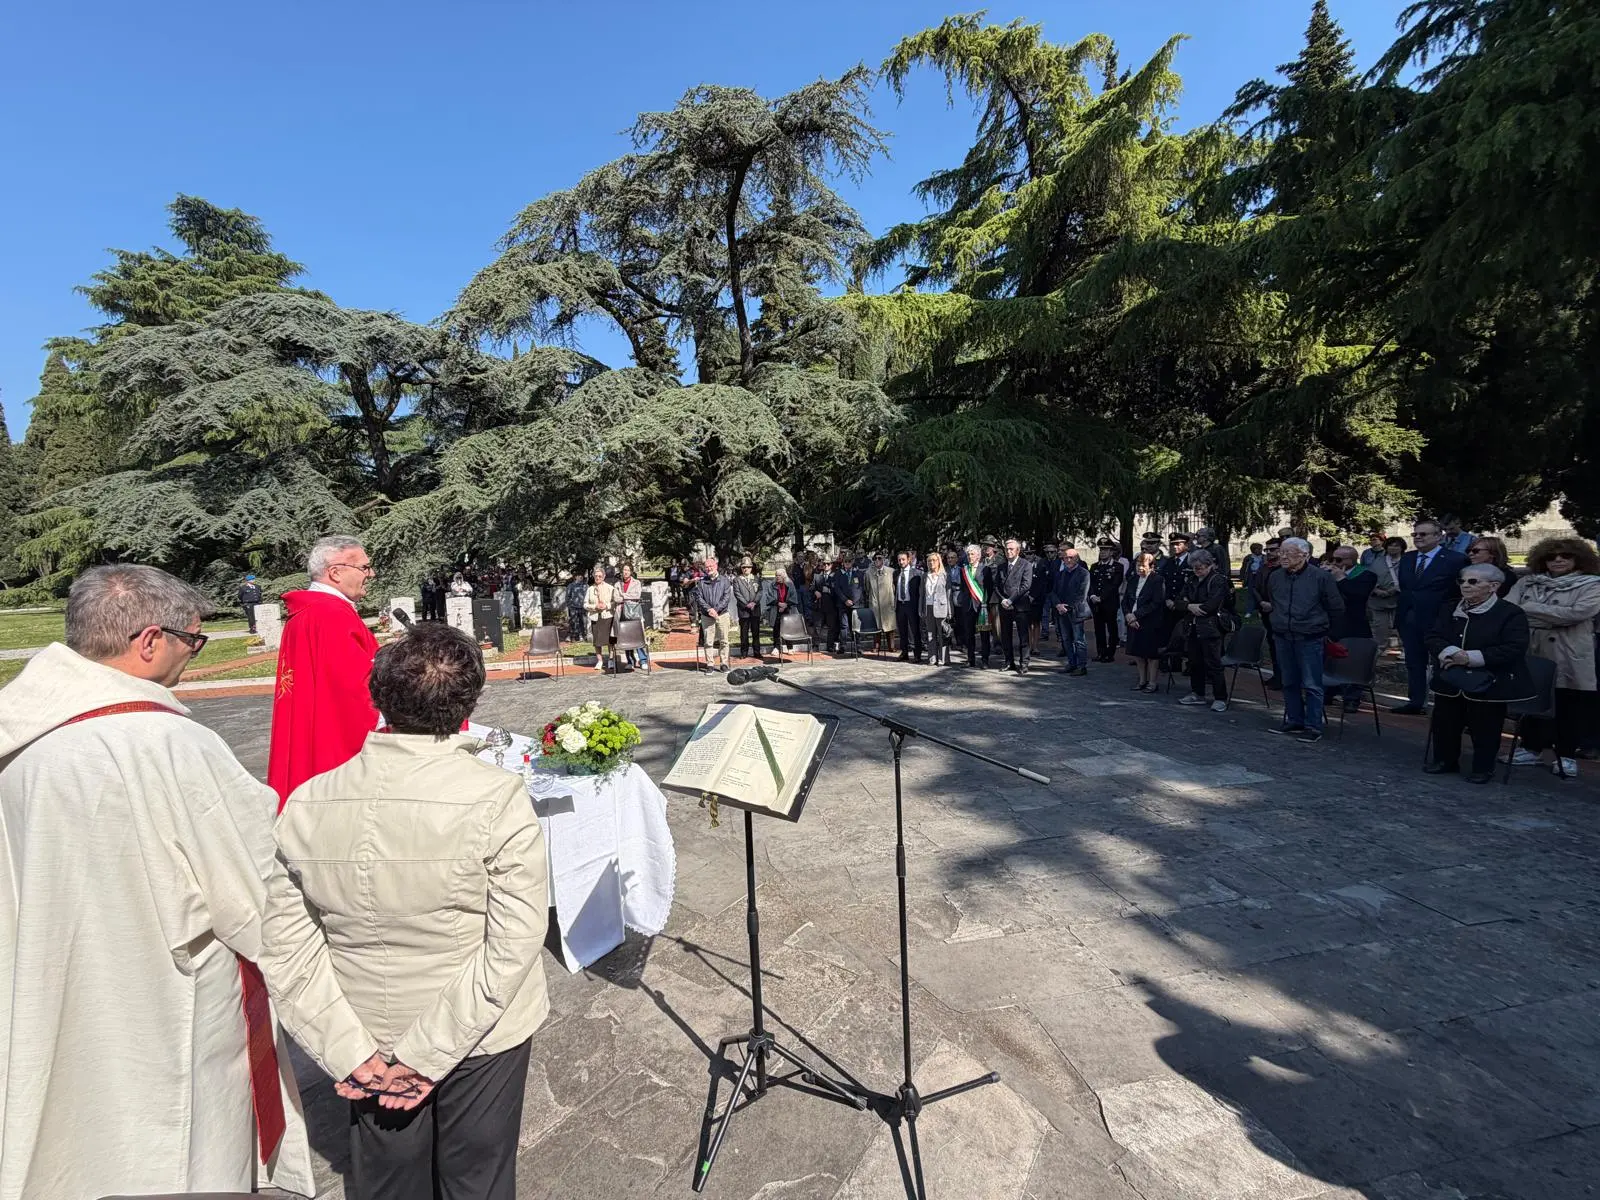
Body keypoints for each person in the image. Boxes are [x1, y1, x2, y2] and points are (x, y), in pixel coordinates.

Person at [0, 565, 317, 1200]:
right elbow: (255, 894)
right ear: (150, 641)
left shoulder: (20, 733)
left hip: (43, 980)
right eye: (192, 641)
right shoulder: (169, 743)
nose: (191, 654)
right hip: (165, 1003)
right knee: (179, 1155)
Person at [262, 621, 549, 1200]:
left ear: (378, 696)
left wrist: (346, 1048)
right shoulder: (495, 796)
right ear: (470, 702)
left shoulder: (309, 800)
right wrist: (426, 1054)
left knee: (387, 1181)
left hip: (368, 1031)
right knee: (478, 1179)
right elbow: (515, 941)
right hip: (479, 1028)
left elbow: (286, 947)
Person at [269, 535, 380, 810]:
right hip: (337, 752)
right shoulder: (332, 615)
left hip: (312, 736)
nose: (371, 574)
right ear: (335, 572)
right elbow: (357, 693)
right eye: (364, 567)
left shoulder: (308, 612)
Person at [1424, 564, 1533, 783]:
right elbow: (1433, 636)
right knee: (1445, 721)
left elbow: (1514, 647)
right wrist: (1451, 652)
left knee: (1486, 726)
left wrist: (1471, 657)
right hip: (1451, 675)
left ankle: (1483, 768)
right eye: (1462, 581)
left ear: (1493, 586)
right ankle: (1445, 760)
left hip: (1489, 680)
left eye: (1473, 581)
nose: (1465, 585)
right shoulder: (1449, 607)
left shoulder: (1510, 613)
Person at [1504, 538, 1600, 779]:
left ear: (1578, 558)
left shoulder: (1592, 584)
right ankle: (1530, 747)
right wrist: (1552, 617)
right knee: (1532, 697)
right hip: (1533, 648)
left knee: (1568, 703)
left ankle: (1566, 755)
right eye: (1551, 556)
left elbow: (1576, 614)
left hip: (1569, 652)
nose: (1558, 560)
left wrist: (1530, 609)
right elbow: (1510, 610)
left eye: (1565, 556)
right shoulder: (1526, 582)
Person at [1260, 536, 1344, 743]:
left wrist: (1326, 631)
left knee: (1312, 684)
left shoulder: (1321, 577)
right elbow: (1274, 601)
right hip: (1283, 635)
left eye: (1288, 553)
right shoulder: (1275, 577)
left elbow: (1336, 607)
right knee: (1289, 681)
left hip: (1310, 637)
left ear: (1304, 555)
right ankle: (1294, 720)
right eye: (1281, 552)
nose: (1282, 556)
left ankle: (1313, 726)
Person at [1392, 519, 1470, 714]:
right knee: (1414, 662)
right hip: (1409, 618)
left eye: (1423, 534)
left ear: (1438, 536)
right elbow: (1406, 588)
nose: (1418, 537)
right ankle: (1416, 702)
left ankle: (1444, 703)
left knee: (1441, 662)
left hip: (1438, 620)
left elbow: (1458, 591)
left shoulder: (1455, 559)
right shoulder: (1408, 558)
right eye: (1415, 534)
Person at [1176, 549, 1231, 711]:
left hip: (1211, 627)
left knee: (1213, 663)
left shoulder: (1218, 580)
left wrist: (1190, 604)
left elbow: (1211, 605)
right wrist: (1190, 606)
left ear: (1209, 565)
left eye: (1200, 567)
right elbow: (1178, 601)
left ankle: (1220, 697)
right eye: (1194, 567)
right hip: (1193, 626)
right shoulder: (1192, 580)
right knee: (1194, 662)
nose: (1197, 570)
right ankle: (1197, 693)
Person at [1326, 545, 1379, 713]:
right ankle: (1327, 693)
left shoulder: (1366, 575)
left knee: (1354, 661)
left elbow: (1358, 595)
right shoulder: (1329, 573)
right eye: (1332, 559)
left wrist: (1341, 579)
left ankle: (1352, 698)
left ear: (1351, 560)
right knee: (1329, 658)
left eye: (1338, 560)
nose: (1334, 563)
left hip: (1355, 623)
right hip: (1332, 623)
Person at [1123, 552, 1166, 693]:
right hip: (1132, 621)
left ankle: (1152, 682)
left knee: (1151, 654)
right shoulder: (1133, 579)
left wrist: (1136, 615)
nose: (1140, 568)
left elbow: (1156, 603)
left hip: (1149, 622)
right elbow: (1125, 600)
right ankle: (1142, 680)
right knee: (1137, 653)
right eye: (1138, 565)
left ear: (1151, 567)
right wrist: (1128, 615)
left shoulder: (1157, 580)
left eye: (1143, 565)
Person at [995, 538, 1035, 674]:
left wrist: (1011, 600)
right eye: (1006, 549)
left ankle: (1024, 663)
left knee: (1023, 636)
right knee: (1005, 636)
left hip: (1020, 605)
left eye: (1011, 549)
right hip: (1004, 605)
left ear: (1017, 550)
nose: (1008, 551)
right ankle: (1008, 662)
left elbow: (1026, 585)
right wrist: (1003, 600)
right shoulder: (1001, 566)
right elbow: (996, 586)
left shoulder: (1026, 565)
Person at [1051, 545, 1091, 674]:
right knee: (1066, 639)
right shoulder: (1060, 574)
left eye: (1071, 557)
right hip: (1062, 612)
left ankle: (1081, 666)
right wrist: (1058, 605)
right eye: (1065, 558)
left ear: (1077, 559)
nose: (1068, 560)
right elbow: (1053, 592)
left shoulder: (1083, 573)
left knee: (1079, 639)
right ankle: (1071, 663)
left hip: (1076, 611)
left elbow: (1082, 594)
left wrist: (1067, 607)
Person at [693, 556, 733, 672]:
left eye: (711, 566)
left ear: (716, 566)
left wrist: (716, 610)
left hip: (722, 614)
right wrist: (709, 610)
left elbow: (726, 597)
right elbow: (699, 598)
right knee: (708, 641)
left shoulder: (725, 581)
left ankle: (724, 663)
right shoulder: (701, 582)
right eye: (707, 567)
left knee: (724, 640)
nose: (709, 568)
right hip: (707, 616)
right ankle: (710, 664)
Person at [952, 543, 989, 668]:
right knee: (968, 633)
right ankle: (970, 659)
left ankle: (985, 660)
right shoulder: (964, 570)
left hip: (981, 605)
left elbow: (989, 588)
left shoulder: (985, 569)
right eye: (968, 554)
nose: (970, 556)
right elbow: (963, 588)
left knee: (984, 634)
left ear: (978, 556)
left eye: (972, 554)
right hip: (968, 605)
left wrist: (986, 603)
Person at [1368, 536, 1405, 654]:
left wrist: (1395, 589)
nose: (1393, 548)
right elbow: (1370, 578)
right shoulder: (1378, 561)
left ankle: (1406, 651)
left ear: (1402, 548)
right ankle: (1377, 652)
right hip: (1379, 601)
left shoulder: (1407, 561)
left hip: (1400, 600)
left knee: (1403, 628)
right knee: (1380, 628)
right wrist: (1376, 590)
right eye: (1390, 545)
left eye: (1396, 546)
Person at [1088, 544, 1125, 662]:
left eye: (1106, 550)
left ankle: (1110, 653)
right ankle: (1101, 652)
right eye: (1101, 550)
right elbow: (1091, 583)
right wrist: (1092, 595)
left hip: (1109, 602)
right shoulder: (1095, 566)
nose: (1103, 552)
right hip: (1096, 603)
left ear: (1111, 552)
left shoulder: (1118, 566)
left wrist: (1102, 597)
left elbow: (1115, 584)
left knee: (1112, 629)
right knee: (1099, 629)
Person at [893, 550, 925, 664]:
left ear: (908, 560)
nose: (901, 562)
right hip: (900, 605)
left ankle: (917, 654)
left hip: (912, 605)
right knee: (902, 631)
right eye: (899, 560)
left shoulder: (917, 573)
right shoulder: (896, 573)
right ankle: (904, 652)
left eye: (903, 559)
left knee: (915, 630)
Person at [616, 562, 649, 670]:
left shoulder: (636, 583)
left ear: (631, 572)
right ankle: (630, 660)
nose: (625, 572)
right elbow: (616, 598)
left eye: (627, 570)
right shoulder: (617, 584)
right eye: (624, 570)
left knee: (637, 635)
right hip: (622, 612)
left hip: (634, 612)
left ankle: (643, 660)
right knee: (626, 636)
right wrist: (627, 597)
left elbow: (637, 595)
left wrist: (623, 595)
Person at [584, 564, 617, 672]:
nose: (597, 578)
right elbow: (585, 604)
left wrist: (606, 606)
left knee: (610, 640)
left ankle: (611, 660)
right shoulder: (590, 589)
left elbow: (614, 602)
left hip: (607, 616)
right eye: (596, 576)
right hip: (595, 617)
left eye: (600, 576)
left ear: (603, 577)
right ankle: (600, 660)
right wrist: (594, 607)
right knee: (597, 641)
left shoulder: (610, 588)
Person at [922, 551, 953, 665]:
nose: (931, 563)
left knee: (942, 634)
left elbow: (948, 594)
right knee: (930, 633)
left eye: (934, 560)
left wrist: (950, 611)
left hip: (941, 608)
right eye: (929, 561)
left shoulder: (945, 575)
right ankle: (932, 657)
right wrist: (921, 608)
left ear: (939, 561)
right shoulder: (925, 576)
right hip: (928, 607)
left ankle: (943, 658)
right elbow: (922, 594)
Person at [764, 566, 799, 656]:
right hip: (776, 608)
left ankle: (790, 647)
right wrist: (778, 604)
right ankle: (776, 647)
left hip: (788, 609)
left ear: (784, 575)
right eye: (776, 575)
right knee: (776, 629)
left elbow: (794, 597)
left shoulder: (790, 584)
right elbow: (769, 597)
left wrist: (785, 605)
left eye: (779, 575)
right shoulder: (772, 585)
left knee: (788, 629)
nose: (777, 577)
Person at [867, 552, 898, 653]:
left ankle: (891, 646)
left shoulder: (891, 571)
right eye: (875, 558)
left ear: (883, 559)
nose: (877, 560)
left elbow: (895, 587)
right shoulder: (869, 573)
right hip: (875, 603)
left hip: (888, 602)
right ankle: (876, 646)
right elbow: (867, 588)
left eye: (879, 558)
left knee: (890, 626)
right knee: (876, 625)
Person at [733, 558, 762, 659]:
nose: (746, 569)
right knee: (744, 633)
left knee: (756, 632)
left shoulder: (756, 578)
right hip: (743, 610)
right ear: (741, 568)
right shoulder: (737, 580)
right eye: (744, 567)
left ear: (751, 568)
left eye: (748, 567)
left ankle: (757, 652)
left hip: (755, 609)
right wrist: (746, 604)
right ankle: (744, 652)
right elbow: (737, 593)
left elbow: (760, 591)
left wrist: (754, 602)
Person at [1240, 543, 1266, 617]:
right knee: (1250, 594)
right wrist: (1242, 578)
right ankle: (1249, 611)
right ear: (1253, 550)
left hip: (1261, 577)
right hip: (1251, 576)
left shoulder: (1264, 557)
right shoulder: (1248, 558)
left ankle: (1260, 610)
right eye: (1258, 549)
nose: (1260, 550)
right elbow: (1243, 568)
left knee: (1261, 594)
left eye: (1260, 549)